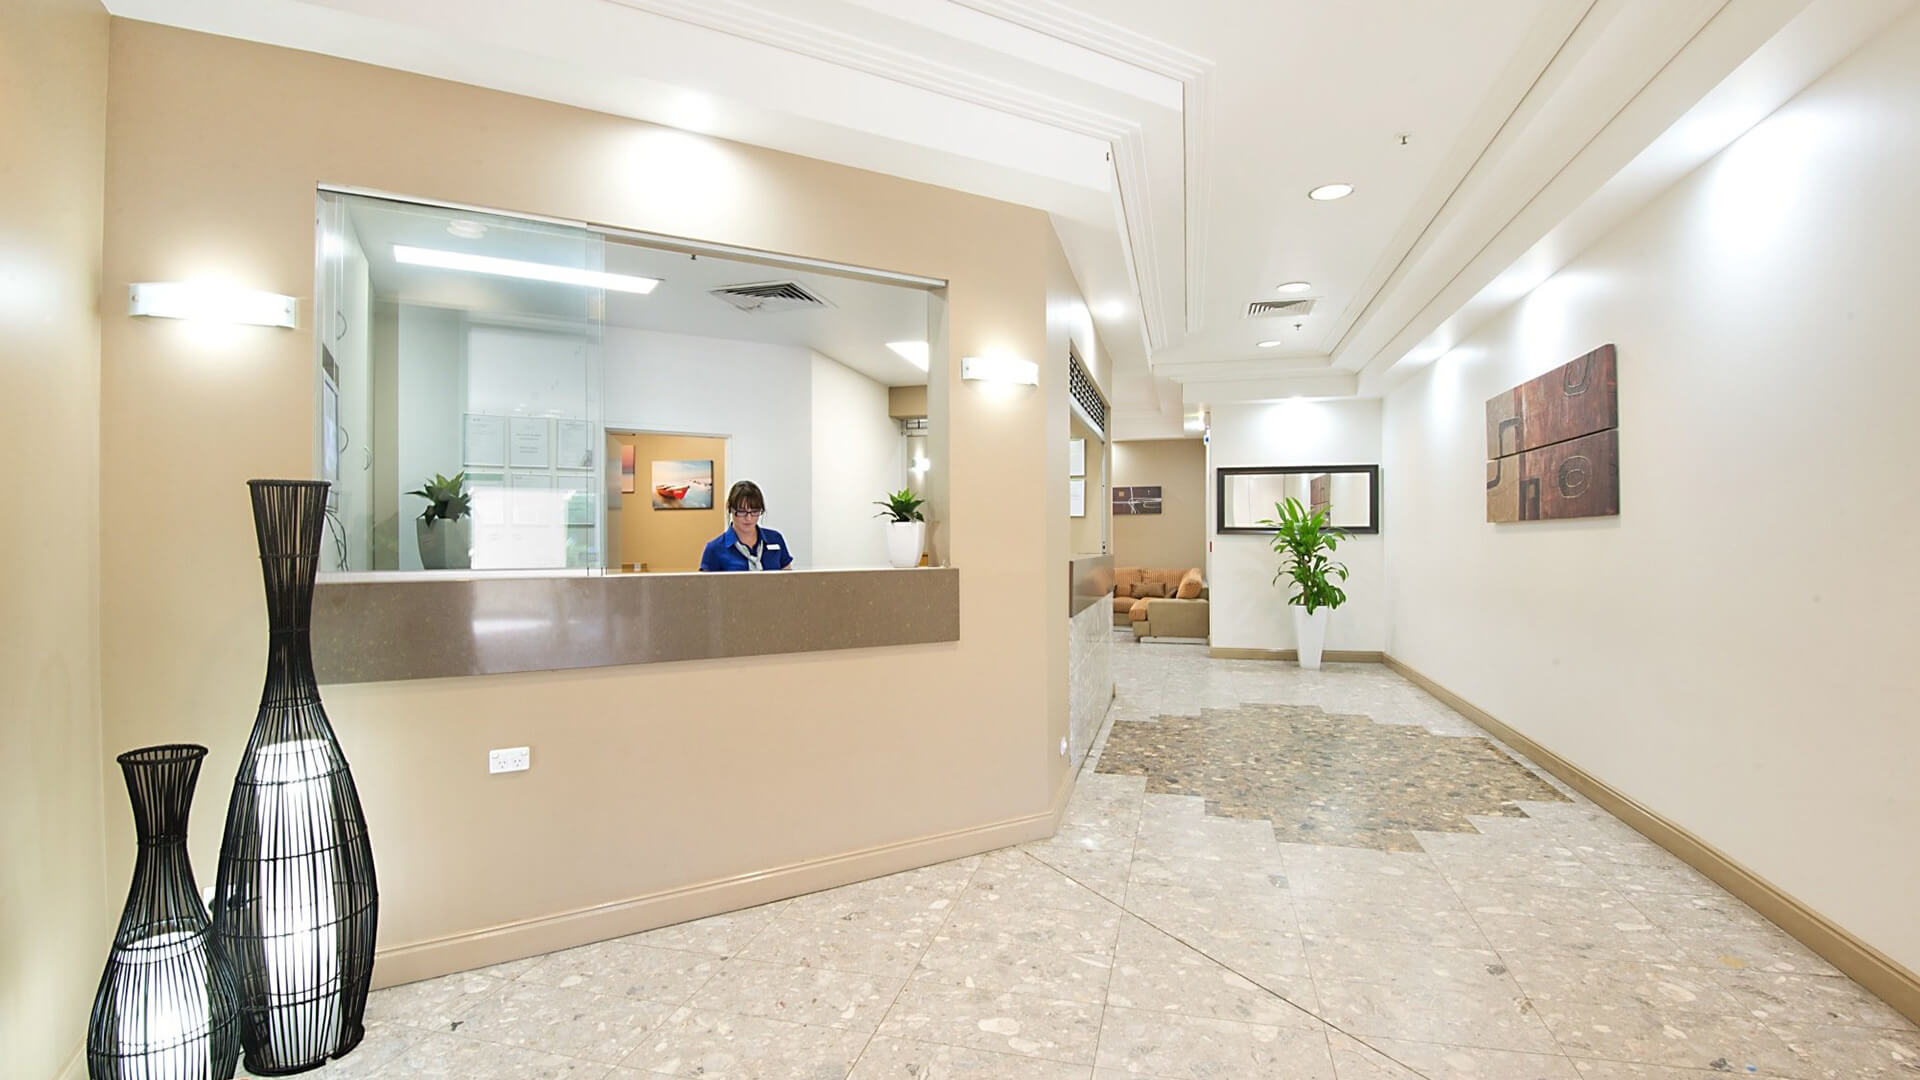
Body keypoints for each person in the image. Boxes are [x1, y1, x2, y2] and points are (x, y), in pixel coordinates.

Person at [699, 480, 794, 571]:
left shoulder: (775, 538)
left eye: (754, 511)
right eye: (741, 511)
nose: (748, 518)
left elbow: (788, 581)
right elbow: (706, 586)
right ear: (730, 509)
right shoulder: (714, 549)